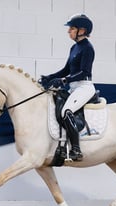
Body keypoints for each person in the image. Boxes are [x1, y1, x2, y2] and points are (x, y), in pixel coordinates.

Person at [41, 14, 96, 161]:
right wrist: (50, 77)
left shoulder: (88, 49)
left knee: (67, 110)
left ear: (82, 30)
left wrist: (64, 80)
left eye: (72, 28)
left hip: (84, 87)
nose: (68, 31)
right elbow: (66, 70)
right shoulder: (74, 47)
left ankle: (76, 149)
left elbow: (84, 72)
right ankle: (61, 146)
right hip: (73, 87)